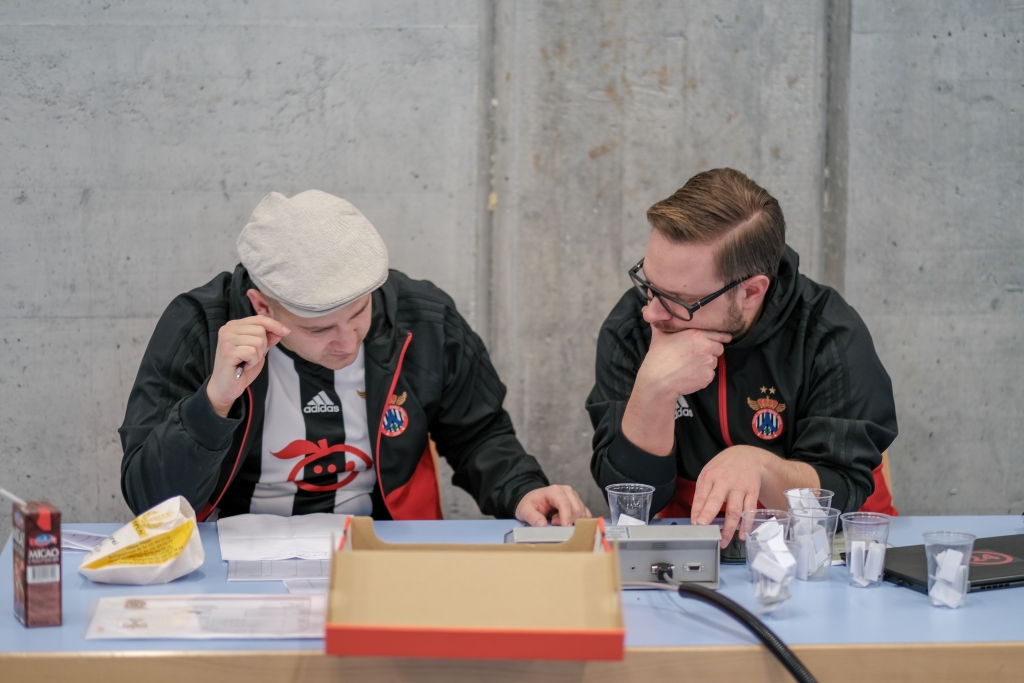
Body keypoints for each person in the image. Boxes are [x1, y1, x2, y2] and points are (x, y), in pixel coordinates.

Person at [120, 190, 589, 526]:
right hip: (233, 552)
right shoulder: (201, 329)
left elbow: (479, 434)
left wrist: (524, 490)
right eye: (318, 328)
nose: (347, 342)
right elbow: (152, 504)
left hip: (382, 551)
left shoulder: (424, 318)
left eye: (360, 313)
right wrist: (214, 403)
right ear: (262, 307)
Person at [587, 168, 897, 546]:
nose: (651, 312)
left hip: (823, 545)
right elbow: (632, 507)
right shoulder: (631, 330)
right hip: (689, 541)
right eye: (649, 284)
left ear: (751, 292)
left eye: (680, 300)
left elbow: (843, 488)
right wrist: (653, 389)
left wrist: (762, 467)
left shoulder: (829, 336)